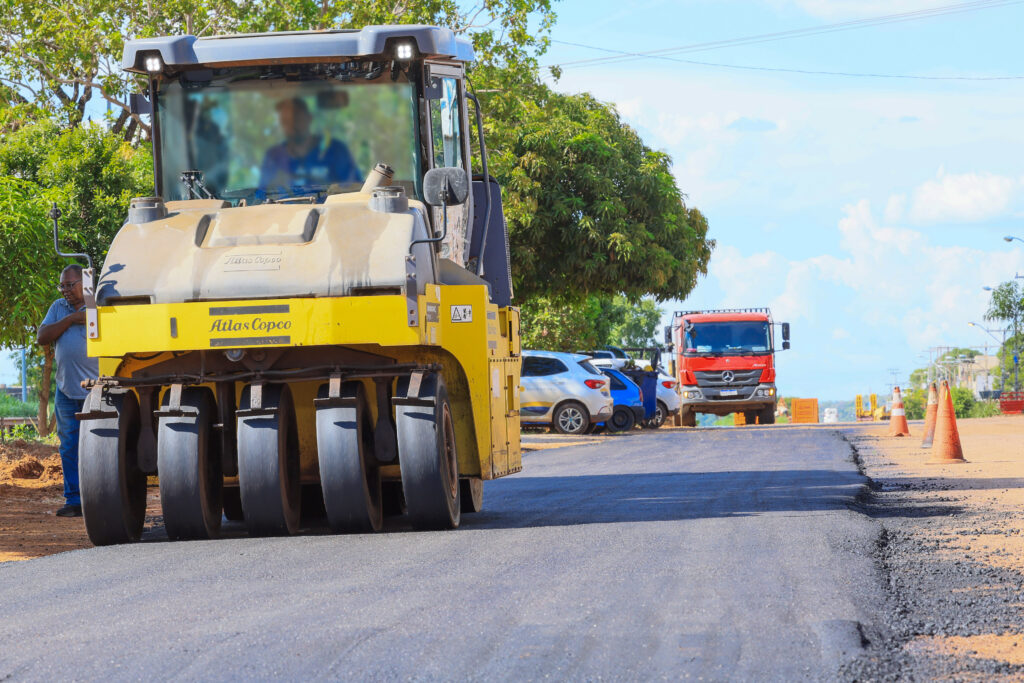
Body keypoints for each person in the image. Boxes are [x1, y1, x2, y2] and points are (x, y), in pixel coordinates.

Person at [37, 264, 98, 517]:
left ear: (85, 283)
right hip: (66, 391)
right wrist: (71, 319)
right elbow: (42, 336)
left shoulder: (98, 306)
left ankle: (99, 499)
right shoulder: (58, 307)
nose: (65, 291)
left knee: (97, 448)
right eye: (62, 286)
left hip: (96, 392)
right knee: (69, 447)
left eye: (70, 285)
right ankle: (74, 500)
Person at [258, 97, 361, 196]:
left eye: (297, 118)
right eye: (285, 121)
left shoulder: (336, 151)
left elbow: (356, 191)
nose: (292, 125)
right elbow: (262, 197)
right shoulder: (274, 157)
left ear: (309, 118)